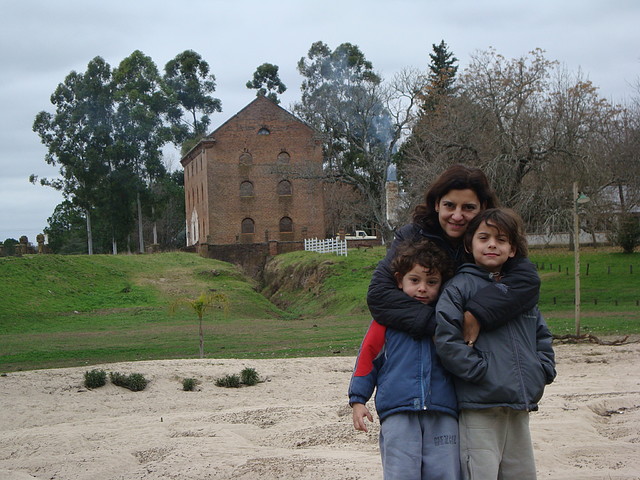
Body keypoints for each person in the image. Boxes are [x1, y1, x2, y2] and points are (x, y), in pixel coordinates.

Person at [434, 208, 557, 479]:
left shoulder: (520, 292)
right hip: (479, 405)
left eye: (501, 239)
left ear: (512, 249)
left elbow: (541, 335)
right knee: (480, 473)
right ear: (470, 244)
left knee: (521, 474)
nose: (492, 244)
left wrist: (542, 368)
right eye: (484, 237)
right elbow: (446, 340)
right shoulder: (458, 288)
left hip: (519, 404)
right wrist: (480, 372)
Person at [367, 164, 540, 342]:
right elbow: (379, 294)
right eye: (449, 205)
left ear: (483, 207)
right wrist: (442, 326)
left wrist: (476, 314)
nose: (457, 216)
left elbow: (526, 282)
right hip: (426, 343)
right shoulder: (412, 236)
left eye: (468, 208)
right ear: (436, 204)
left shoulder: (493, 243)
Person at [349, 239, 460, 480]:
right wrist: (358, 399)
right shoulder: (385, 321)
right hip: (398, 412)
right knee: (401, 474)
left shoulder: (445, 321)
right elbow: (367, 359)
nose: (423, 288)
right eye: (415, 280)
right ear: (400, 281)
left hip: (442, 412)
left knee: (446, 472)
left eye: (432, 282)